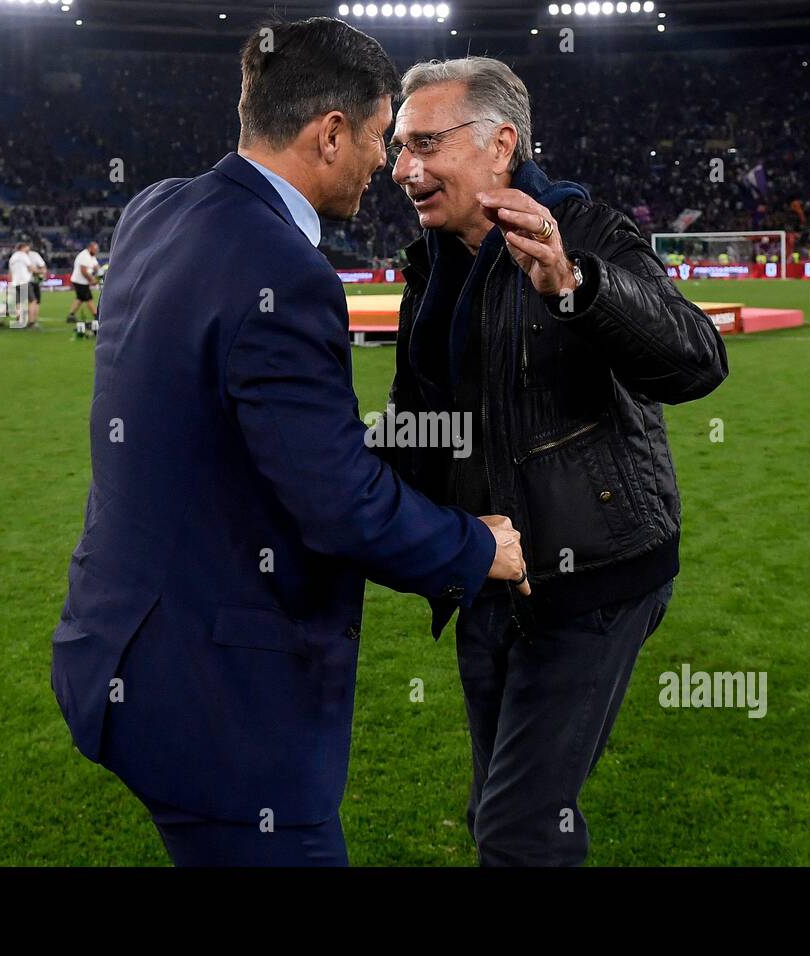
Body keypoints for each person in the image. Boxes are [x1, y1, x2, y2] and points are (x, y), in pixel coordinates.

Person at [49, 18, 528, 868]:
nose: (388, 163)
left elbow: (254, 439)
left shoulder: (153, 210)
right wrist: (476, 545)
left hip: (118, 645)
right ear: (331, 133)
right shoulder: (285, 271)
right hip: (218, 704)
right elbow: (337, 503)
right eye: (381, 138)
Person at [382, 57, 729, 866]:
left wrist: (576, 285)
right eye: (399, 147)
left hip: (597, 578)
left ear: (501, 144)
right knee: (498, 815)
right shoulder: (431, 265)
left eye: (426, 144)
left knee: (516, 828)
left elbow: (696, 361)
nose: (402, 169)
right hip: (489, 578)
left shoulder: (585, 227)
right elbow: (417, 425)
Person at [66, 241, 100, 324]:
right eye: (95, 249)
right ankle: (96, 316)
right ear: (90, 248)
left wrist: (101, 272)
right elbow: (83, 271)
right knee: (89, 298)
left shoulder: (91, 256)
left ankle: (71, 315)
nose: (96, 251)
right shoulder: (84, 256)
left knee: (80, 298)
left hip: (81, 281)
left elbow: (96, 266)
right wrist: (92, 280)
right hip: (80, 281)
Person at [6, 240, 34, 328]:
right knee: (32, 301)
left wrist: (10, 283)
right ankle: (31, 322)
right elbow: (30, 268)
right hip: (24, 281)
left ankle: (19, 320)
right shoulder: (23, 255)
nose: (28, 249)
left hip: (15, 282)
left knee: (19, 302)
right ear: (22, 247)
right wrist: (41, 271)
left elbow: (10, 272)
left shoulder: (12, 257)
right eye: (27, 247)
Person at [27, 241, 47, 328]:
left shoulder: (19, 255)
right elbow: (43, 266)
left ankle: (24, 321)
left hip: (23, 281)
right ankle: (32, 321)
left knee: (23, 302)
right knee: (35, 301)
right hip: (32, 280)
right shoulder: (34, 255)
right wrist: (42, 274)